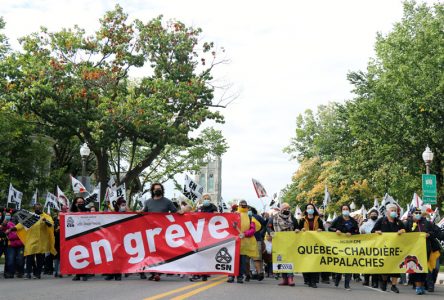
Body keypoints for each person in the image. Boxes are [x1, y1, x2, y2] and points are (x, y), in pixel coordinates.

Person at [6, 203, 56, 280]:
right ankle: (28, 273)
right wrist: (11, 229)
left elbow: (51, 225)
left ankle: (37, 274)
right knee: (29, 257)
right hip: (30, 240)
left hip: (41, 241)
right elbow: (20, 225)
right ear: (33, 209)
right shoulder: (30, 217)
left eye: (39, 208)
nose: (38, 209)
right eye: (36, 208)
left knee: (40, 258)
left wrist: (45, 221)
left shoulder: (46, 217)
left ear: (42, 208)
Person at [143, 182, 181, 281]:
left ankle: (158, 272)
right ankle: (153, 272)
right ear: (152, 190)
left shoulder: (167, 202)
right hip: (150, 232)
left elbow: (175, 212)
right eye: (156, 189)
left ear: (162, 190)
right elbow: (142, 215)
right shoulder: (147, 202)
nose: (157, 190)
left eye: (159, 188)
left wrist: (181, 211)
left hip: (163, 231)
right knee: (151, 252)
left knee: (160, 252)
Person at [405, 207, 441, 294]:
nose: (418, 214)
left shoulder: (427, 223)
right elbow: (402, 233)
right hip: (413, 250)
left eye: (419, 212)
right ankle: (417, 287)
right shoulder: (408, 223)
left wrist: (429, 234)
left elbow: (436, 232)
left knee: (424, 269)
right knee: (416, 268)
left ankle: (421, 285)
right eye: (416, 212)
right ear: (412, 214)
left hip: (426, 249)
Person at [372, 203, 406, 293]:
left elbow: (407, 231)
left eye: (395, 210)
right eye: (392, 210)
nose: (394, 212)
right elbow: (373, 231)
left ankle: (394, 285)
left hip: (396, 249)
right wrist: (377, 232)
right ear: (387, 212)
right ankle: (384, 281)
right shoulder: (381, 221)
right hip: (384, 248)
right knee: (385, 268)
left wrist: (403, 231)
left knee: (396, 267)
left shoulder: (399, 222)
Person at [329, 204, 359, 291]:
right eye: (343, 209)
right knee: (340, 263)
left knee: (349, 264)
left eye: (347, 209)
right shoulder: (338, 219)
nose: (345, 210)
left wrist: (352, 234)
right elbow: (330, 228)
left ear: (349, 210)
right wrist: (336, 230)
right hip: (339, 245)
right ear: (341, 210)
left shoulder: (353, 221)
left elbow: (358, 233)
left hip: (350, 246)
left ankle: (347, 284)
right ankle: (337, 278)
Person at [267, 202, 298, 286]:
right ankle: (284, 279)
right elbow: (268, 227)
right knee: (281, 260)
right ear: (281, 209)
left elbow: (297, 227)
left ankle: (290, 278)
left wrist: (297, 230)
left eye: (288, 208)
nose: (287, 210)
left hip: (290, 242)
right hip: (279, 242)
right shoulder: (274, 217)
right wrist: (271, 232)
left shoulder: (292, 218)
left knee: (289, 260)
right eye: (285, 208)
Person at [227, 200, 258, 284]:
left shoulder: (250, 216)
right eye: (242, 205)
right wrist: (232, 226)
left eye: (245, 205)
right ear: (239, 205)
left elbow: (253, 229)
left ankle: (240, 276)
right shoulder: (234, 215)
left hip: (244, 242)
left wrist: (245, 234)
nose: (243, 207)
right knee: (232, 259)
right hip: (234, 241)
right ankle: (231, 276)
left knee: (242, 261)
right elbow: (228, 227)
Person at [296, 203, 324, 288]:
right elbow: (297, 229)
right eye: (308, 208)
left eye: (311, 208)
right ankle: (307, 279)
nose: (310, 209)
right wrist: (300, 229)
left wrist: (320, 229)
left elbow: (323, 229)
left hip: (316, 244)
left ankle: (314, 281)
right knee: (306, 261)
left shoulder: (318, 219)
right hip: (305, 244)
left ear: (314, 209)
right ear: (306, 210)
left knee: (314, 262)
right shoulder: (302, 220)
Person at [359, 208, 380, 288]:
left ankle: (375, 282)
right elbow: (361, 231)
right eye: (372, 214)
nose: (374, 215)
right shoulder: (366, 223)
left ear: (377, 215)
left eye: (375, 214)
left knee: (375, 264)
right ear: (369, 215)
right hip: (368, 246)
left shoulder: (379, 222)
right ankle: (366, 280)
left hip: (377, 245)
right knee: (368, 263)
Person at [2, 209, 24, 278]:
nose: (15, 217)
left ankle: (20, 272)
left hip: (21, 244)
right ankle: (10, 273)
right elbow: (3, 229)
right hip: (11, 244)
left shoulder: (23, 223)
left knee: (20, 259)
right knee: (10, 259)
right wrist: (4, 224)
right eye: (14, 215)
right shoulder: (8, 223)